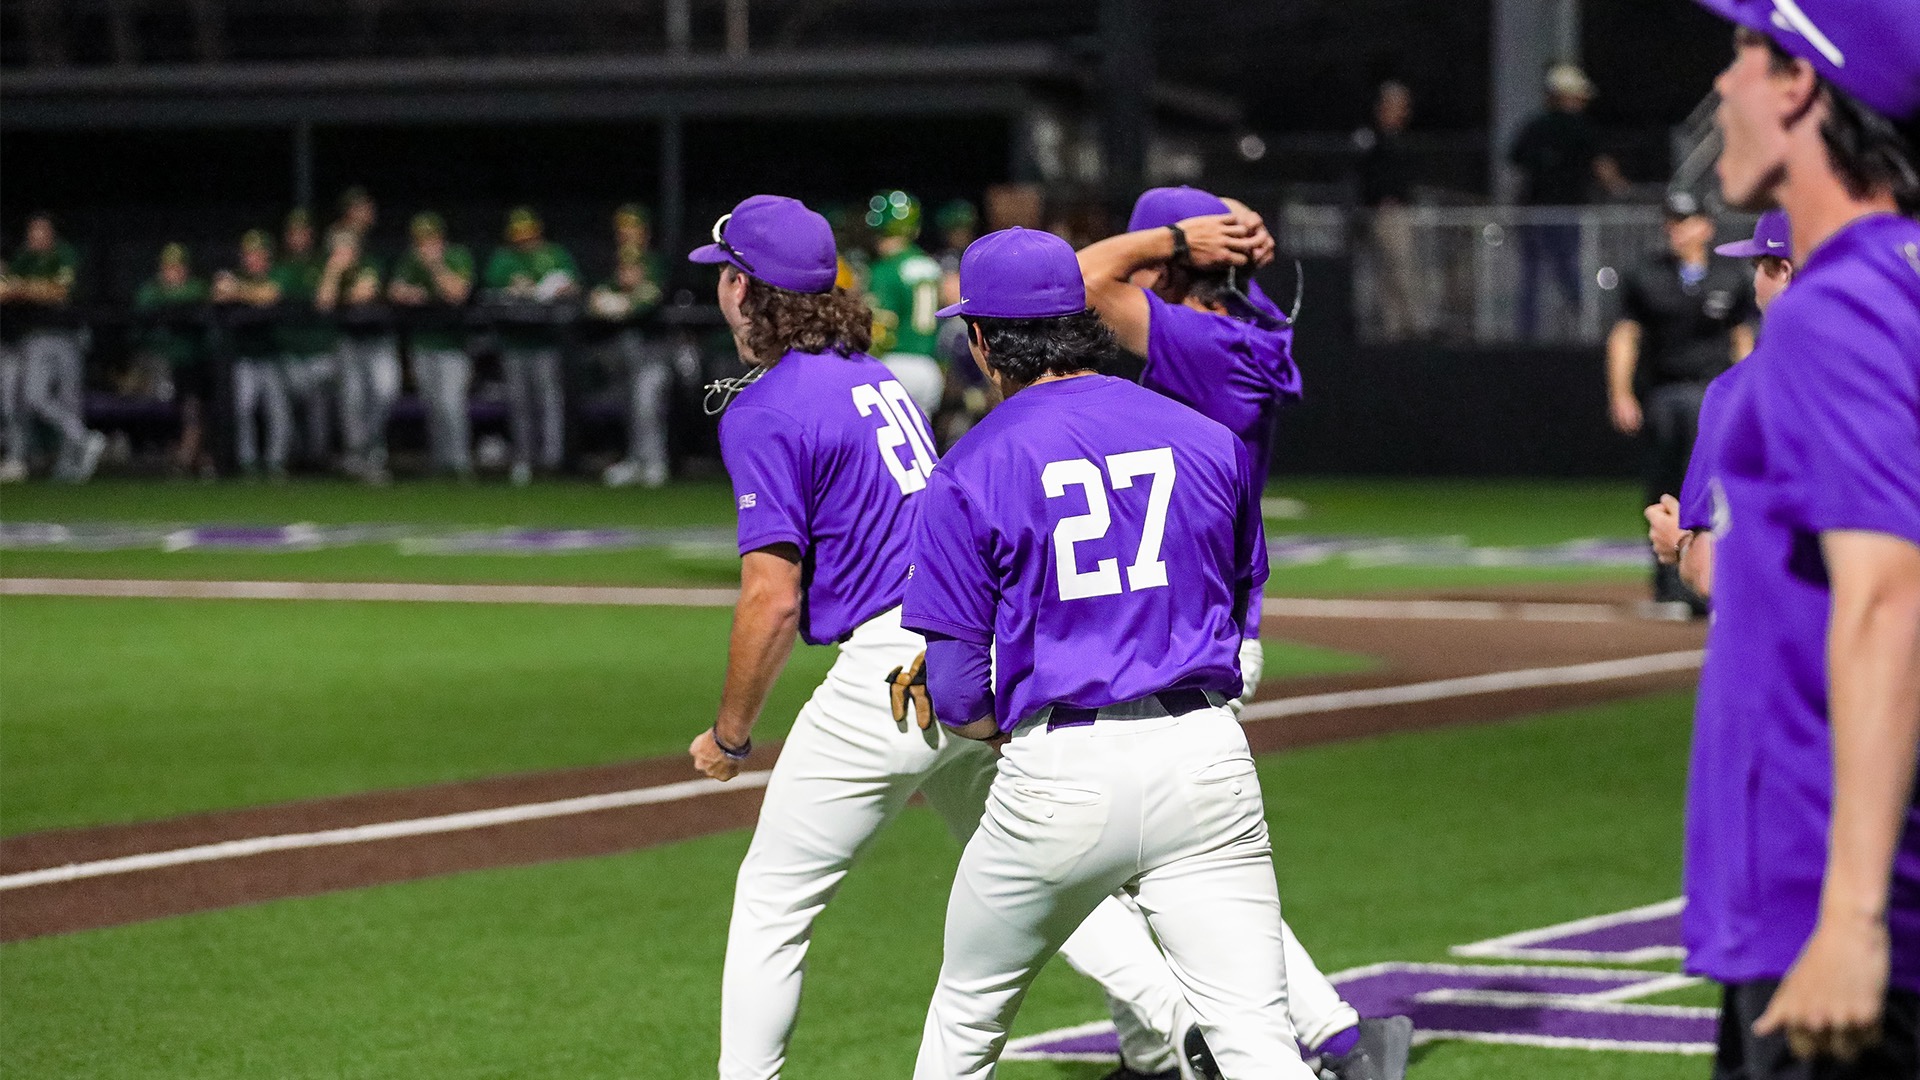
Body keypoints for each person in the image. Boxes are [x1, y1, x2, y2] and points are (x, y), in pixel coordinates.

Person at [688, 196, 1238, 1080]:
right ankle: (1181, 1027)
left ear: (745, 288)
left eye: (723, 274)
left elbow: (771, 598)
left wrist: (731, 733)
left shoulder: (772, 403)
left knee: (774, 896)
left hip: (891, 668)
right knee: (1040, 869)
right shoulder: (866, 373)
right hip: (958, 647)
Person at [905, 226, 1317, 1079]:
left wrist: (998, 734)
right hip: (1205, 757)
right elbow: (1241, 605)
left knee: (964, 1026)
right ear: (1085, 320)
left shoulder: (969, 464)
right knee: (1259, 1045)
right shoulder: (1208, 440)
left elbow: (953, 690)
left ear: (983, 343)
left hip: (1060, 770)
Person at [1079, 185, 1413, 1080]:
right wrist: (1222, 236)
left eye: (1154, 251)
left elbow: (1072, 283)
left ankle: (1315, 1038)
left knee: (1145, 860)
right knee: (1152, 858)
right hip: (1196, 620)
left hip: (1182, 631)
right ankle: (1190, 1048)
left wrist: (1173, 235)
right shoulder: (1242, 325)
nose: (1137, 259)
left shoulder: (1201, 340)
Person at [1678, 1, 1920, 1075]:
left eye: (1739, 53)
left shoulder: (1842, 303)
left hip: (1833, 909)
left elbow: (1888, 595)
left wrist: (1853, 919)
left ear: (1798, 83)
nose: (1722, 86)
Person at [1606, 190, 1757, 611]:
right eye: (1672, 222)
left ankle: (1704, 575)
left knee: (1711, 487)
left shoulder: (1731, 277)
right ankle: (1667, 581)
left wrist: (1747, 394)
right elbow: (1626, 335)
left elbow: (1742, 338)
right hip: (1666, 393)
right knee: (1663, 484)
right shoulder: (1645, 275)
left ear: (1706, 227)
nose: (1678, 230)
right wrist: (1621, 392)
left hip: (1715, 395)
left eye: (1687, 221)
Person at [1645, 209, 1793, 600]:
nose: (1754, 279)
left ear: (1783, 271)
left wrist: (1679, 544)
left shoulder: (1739, 393)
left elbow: (1709, 570)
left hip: (1786, 651)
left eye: (1759, 265)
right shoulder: (1890, 376)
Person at [1508, 63, 1631, 339]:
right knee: (1567, 271)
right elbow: (1603, 168)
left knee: (1532, 277)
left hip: (1533, 212)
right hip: (1565, 212)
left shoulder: (1534, 126)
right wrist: (1622, 189)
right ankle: (1588, 328)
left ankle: (1525, 334)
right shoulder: (1581, 129)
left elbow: (1516, 162)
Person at [4, 212, 104, 483]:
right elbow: (4, 289)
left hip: (69, 336)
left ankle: (73, 465)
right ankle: (83, 438)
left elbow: (59, 292)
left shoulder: (64, 253)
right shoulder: (25, 258)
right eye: (33, 231)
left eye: (42, 231)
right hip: (36, 337)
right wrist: (24, 288)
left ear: (51, 233)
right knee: (34, 397)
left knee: (70, 402)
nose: (37, 236)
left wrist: (22, 288)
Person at [484, 206, 577, 485]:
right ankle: (524, 459)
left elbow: (573, 285)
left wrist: (560, 288)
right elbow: (492, 291)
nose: (525, 241)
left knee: (549, 401)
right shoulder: (503, 258)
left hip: (547, 341)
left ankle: (552, 461)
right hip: (515, 342)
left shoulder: (554, 255)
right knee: (521, 404)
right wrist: (515, 290)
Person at [388, 212, 476, 478]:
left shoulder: (457, 256)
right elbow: (394, 289)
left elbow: (457, 293)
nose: (426, 245)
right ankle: (440, 464)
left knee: (452, 405)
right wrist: (410, 294)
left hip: (453, 345)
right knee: (433, 406)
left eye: (431, 238)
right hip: (423, 343)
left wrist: (436, 266)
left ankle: (460, 465)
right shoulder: (411, 260)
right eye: (420, 240)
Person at [594, 204, 671, 489]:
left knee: (648, 405)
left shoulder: (654, 262)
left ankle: (655, 462)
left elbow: (649, 299)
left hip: (654, 346)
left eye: (633, 229)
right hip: (624, 349)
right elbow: (597, 299)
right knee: (630, 406)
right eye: (622, 230)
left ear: (645, 232)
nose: (627, 235)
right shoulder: (615, 263)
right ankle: (635, 459)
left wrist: (626, 303)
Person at [317, 226, 396, 484]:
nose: (343, 254)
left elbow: (364, 293)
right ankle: (359, 455)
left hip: (379, 339)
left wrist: (346, 293)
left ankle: (372, 447)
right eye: (338, 249)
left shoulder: (369, 265)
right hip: (349, 342)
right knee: (353, 400)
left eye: (347, 248)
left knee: (385, 393)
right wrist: (333, 271)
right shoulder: (333, 272)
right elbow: (324, 303)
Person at [213, 229, 292, 479]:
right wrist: (242, 291)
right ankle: (248, 463)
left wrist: (239, 292)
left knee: (278, 412)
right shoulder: (235, 275)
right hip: (243, 356)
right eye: (249, 254)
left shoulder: (278, 273)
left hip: (272, 355)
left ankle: (275, 463)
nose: (253, 258)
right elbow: (219, 292)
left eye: (258, 254)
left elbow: (271, 294)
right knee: (242, 409)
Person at [133, 243, 214, 476]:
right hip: (155, 366)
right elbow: (143, 301)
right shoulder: (150, 291)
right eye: (169, 268)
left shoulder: (196, 289)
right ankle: (173, 456)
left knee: (193, 404)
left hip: (190, 366)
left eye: (178, 268)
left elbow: (198, 294)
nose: (173, 273)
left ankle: (187, 458)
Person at [1352, 81, 1425, 340]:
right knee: (1388, 268)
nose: (1402, 112)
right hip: (1382, 213)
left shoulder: (1400, 139)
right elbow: (1365, 176)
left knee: (1401, 267)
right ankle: (1395, 326)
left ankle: (1410, 324)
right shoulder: (1372, 138)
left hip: (1399, 212)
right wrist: (1378, 198)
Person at [863, 189, 946, 414]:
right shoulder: (930, 265)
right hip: (929, 367)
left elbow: (880, 328)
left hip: (895, 364)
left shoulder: (885, 269)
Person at [271, 207, 340, 468]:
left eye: (303, 232)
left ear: (311, 235)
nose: (298, 237)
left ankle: (318, 462)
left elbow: (325, 301)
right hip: (288, 350)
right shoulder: (280, 267)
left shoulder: (322, 265)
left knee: (319, 413)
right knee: (285, 414)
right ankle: (288, 462)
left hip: (320, 350)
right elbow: (271, 293)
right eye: (293, 232)